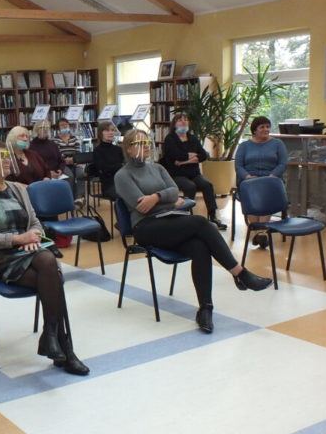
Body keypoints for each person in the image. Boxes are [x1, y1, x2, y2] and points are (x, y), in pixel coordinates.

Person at [115, 129, 272, 334]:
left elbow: (174, 191)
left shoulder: (158, 168)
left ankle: (205, 308)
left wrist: (156, 197)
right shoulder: (123, 175)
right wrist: (167, 199)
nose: (145, 147)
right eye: (139, 143)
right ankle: (240, 273)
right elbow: (142, 207)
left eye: (147, 143)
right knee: (200, 222)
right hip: (146, 227)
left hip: (169, 221)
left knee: (199, 247)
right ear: (128, 148)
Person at [0, 140, 89, 375]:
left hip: (26, 252)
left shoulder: (18, 188)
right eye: (1, 156)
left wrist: (33, 236)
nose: (7, 160)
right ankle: (63, 348)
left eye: (7, 156)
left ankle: (51, 337)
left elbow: (35, 223)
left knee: (48, 263)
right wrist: (18, 239)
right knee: (53, 277)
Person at [161, 113, 227, 230]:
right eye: (180, 120)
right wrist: (191, 156)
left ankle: (213, 216)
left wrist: (183, 161)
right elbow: (176, 155)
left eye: (186, 120)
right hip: (177, 174)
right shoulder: (170, 139)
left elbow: (203, 155)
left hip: (194, 173)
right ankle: (185, 216)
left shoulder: (192, 138)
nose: (183, 122)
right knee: (190, 186)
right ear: (174, 124)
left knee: (207, 185)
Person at [235, 116, 289, 249]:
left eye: (268, 126)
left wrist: (272, 176)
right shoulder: (244, 146)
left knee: (266, 190)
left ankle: (261, 232)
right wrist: (247, 177)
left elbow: (283, 163)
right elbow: (238, 166)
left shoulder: (278, 144)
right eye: (262, 127)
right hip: (249, 179)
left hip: (270, 178)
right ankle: (260, 233)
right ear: (254, 130)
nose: (266, 129)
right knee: (250, 191)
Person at [54, 118, 86, 206]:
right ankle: (70, 198)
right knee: (70, 176)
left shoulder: (74, 138)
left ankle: (80, 198)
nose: (65, 126)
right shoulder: (55, 140)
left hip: (75, 162)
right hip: (62, 164)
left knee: (80, 173)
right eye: (62, 125)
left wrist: (74, 161)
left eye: (66, 124)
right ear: (58, 128)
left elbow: (78, 152)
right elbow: (58, 154)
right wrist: (66, 160)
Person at [93, 120, 125, 198]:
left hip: (123, 180)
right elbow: (104, 170)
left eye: (112, 130)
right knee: (126, 194)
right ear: (101, 133)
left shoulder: (118, 149)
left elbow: (126, 165)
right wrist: (120, 165)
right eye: (107, 130)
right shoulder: (98, 150)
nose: (111, 133)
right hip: (109, 184)